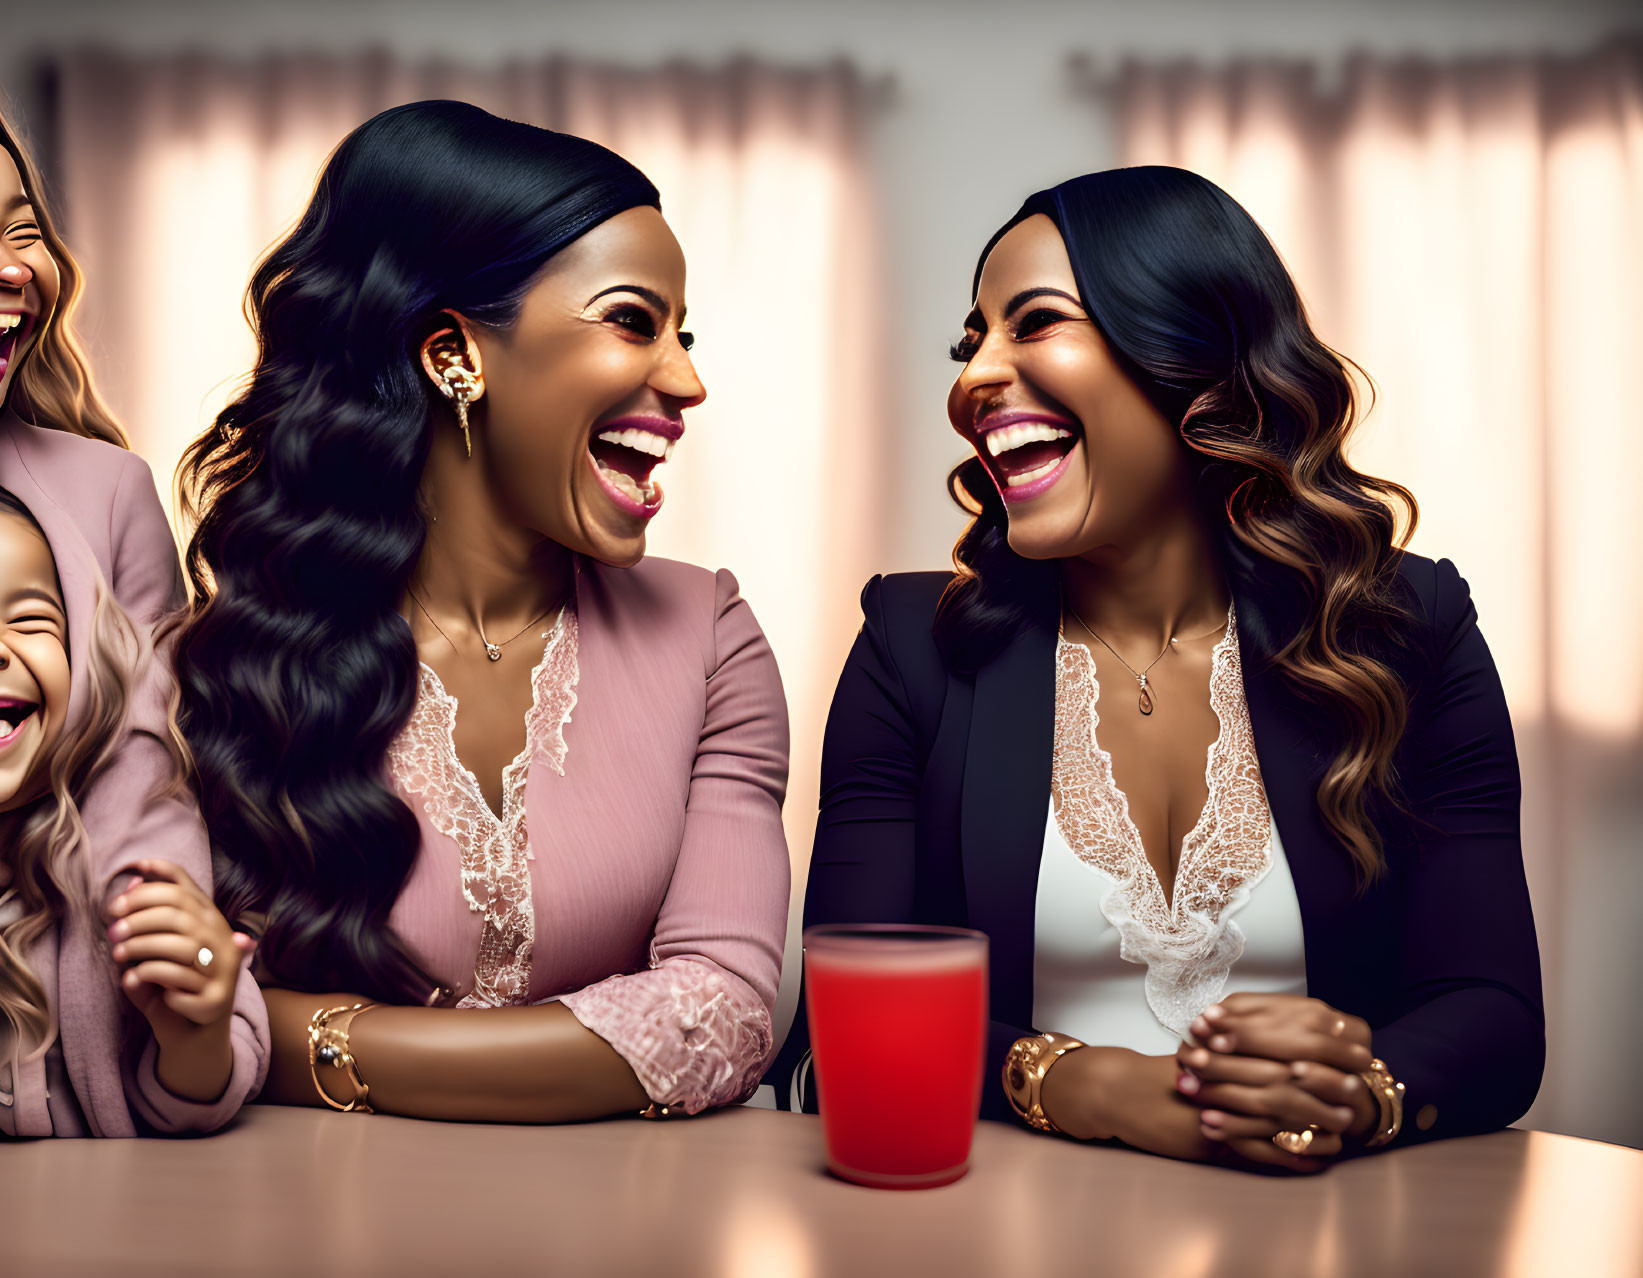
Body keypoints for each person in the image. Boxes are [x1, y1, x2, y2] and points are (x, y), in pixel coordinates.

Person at [770, 166, 1541, 1171]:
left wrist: (1360, 1090)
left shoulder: (1404, 628)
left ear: (1194, 363)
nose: (969, 380)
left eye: (1032, 323)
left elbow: (1489, 1013)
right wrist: (1089, 1086)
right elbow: (842, 1030)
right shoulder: (912, 648)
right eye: (969, 344)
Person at [173, 101, 789, 1122]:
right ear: (455, 353)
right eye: (633, 320)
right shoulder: (222, 660)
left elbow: (720, 1017)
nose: (687, 379)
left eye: (682, 332)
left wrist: (311, 1037)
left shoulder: (710, 639)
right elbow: (171, 1013)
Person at [0, 107, 267, 1136]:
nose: (14, 268)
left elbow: (146, 813)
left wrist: (199, 1023)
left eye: (22, 229)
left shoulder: (106, 495)